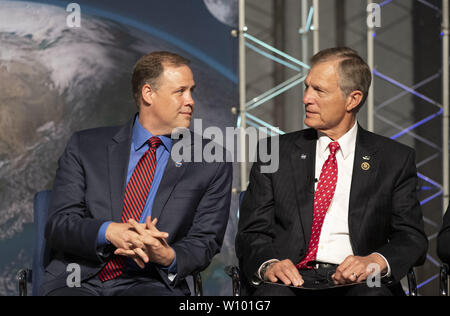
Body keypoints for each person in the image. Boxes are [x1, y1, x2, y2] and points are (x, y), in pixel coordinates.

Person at [235, 47, 428, 296]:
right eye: (307, 87)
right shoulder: (275, 152)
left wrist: (375, 261)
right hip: (292, 280)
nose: (306, 98)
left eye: (319, 90)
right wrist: (269, 264)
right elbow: (252, 232)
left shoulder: (394, 159)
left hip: (359, 282)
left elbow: (411, 237)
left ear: (353, 99)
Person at [40, 51, 232, 296]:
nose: (190, 100)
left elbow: (205, 241)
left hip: (151, 281)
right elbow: (60, 224)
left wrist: (167, 255)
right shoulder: (85, 147)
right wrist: (109, 231)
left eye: (191, 91)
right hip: (78, 278)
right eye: (180, 91)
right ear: (148, 94)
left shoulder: (211, 160)